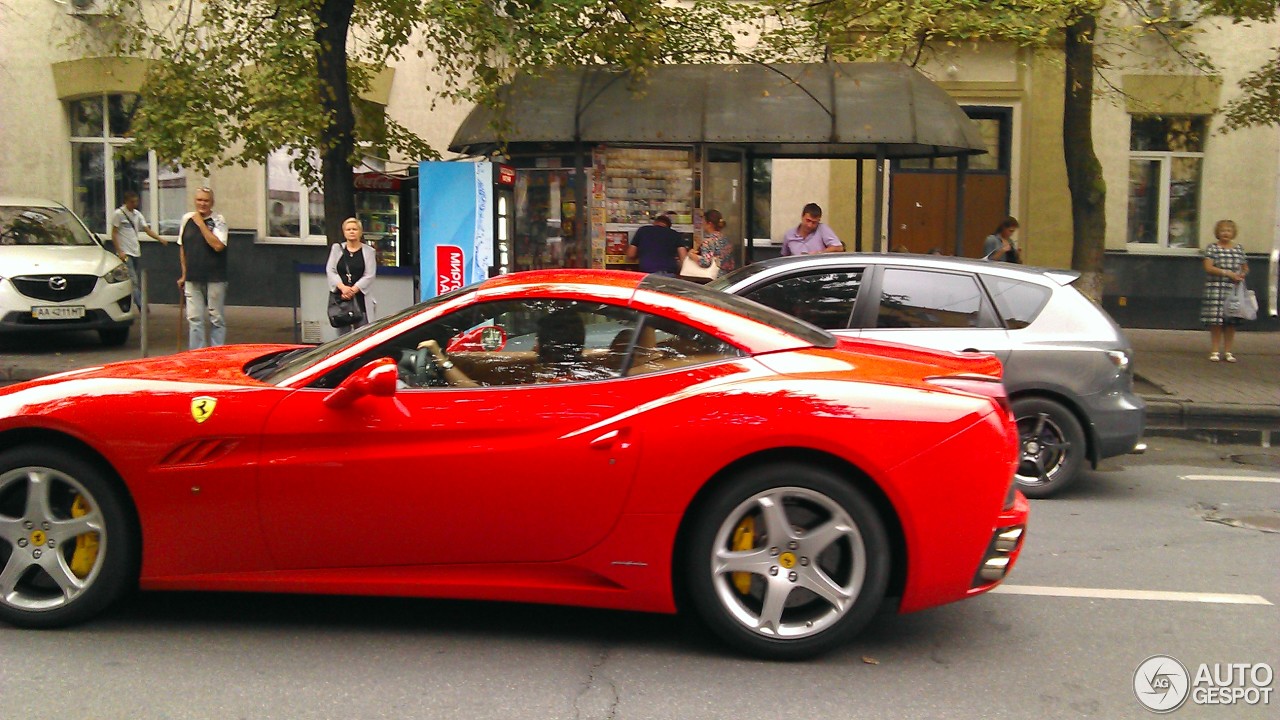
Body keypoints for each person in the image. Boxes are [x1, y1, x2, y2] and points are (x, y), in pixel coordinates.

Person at [177, 187, 229, 349]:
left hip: (215, 276)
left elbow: (218, 246)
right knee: (194, 318)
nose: (202, 203)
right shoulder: (187, 219)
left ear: (212, 202)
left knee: (216, 317)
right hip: (193, 276)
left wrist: (201, 224)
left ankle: (216, 351)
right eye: (199, 200)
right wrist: (184, 274)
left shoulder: (219, 221)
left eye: (206, 200)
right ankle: (197, 353)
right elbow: (182, 247)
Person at [1200, 219, 1249, 362]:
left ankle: (1228, 351)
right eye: (1222, 231)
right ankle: (1215, 350)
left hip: (1233, 289)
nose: (1225, 233)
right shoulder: (1212, 248)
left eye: (1228, 231)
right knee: (1216, 321)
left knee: (1231, 322)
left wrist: (1241, 275)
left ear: (1233, 233)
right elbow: (1208, 267)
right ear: (1218, 233)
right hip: (1216, 288)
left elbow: (1245, 267)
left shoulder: (1239, 248)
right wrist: (1227, 273)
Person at [110, 190, 169, 308]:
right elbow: (114, 233)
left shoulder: (137, 214)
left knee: (130, 280)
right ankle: (141, 306)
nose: (135, 204)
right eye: (132, 202)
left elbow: (147, 230)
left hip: (135, 251)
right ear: (126, 202)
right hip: (125, 252)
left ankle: (127, 303)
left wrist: (160, 239)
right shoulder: (119, 214)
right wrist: (120, 250)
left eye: (136, 201)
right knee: (134, 280)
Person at [326, 217, 377, 335]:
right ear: (344, 232)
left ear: (360, 232)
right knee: (342, 337)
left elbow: (369, 275)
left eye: (355, 229)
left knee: (362, 335)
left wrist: (353, 290)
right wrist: (342, 287)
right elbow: (330, 270)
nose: (352, 232)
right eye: (348, 229)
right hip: (341, 299)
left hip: (360, 299)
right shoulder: (337, 249)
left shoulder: (369, 251)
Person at [687, 209, 735, 279]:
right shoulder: (725, 239)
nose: (702, 224)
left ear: (709, 224)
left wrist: (691, 255)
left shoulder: (708, 242)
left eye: (703, 221)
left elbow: (705, 262)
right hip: (728, 277)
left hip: (716, 278)